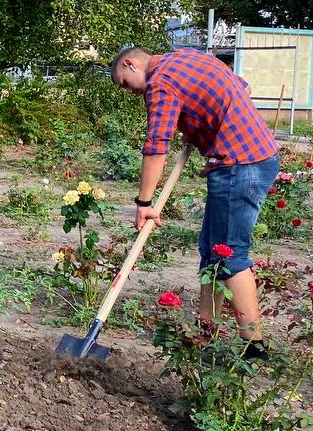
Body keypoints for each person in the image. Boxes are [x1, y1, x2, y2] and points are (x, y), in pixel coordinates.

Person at [109, 45, 279, 357]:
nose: (128, 92)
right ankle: (206, 331)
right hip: (257, 157)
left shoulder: (160, 83)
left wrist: (144, 202)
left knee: (230, 256)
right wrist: (200, 120)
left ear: (131, 64)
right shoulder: (186, 56)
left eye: (123, 83)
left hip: (239, 165)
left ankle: (254, 346)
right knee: (213, 253)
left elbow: (157, 145)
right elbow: (241, 85)